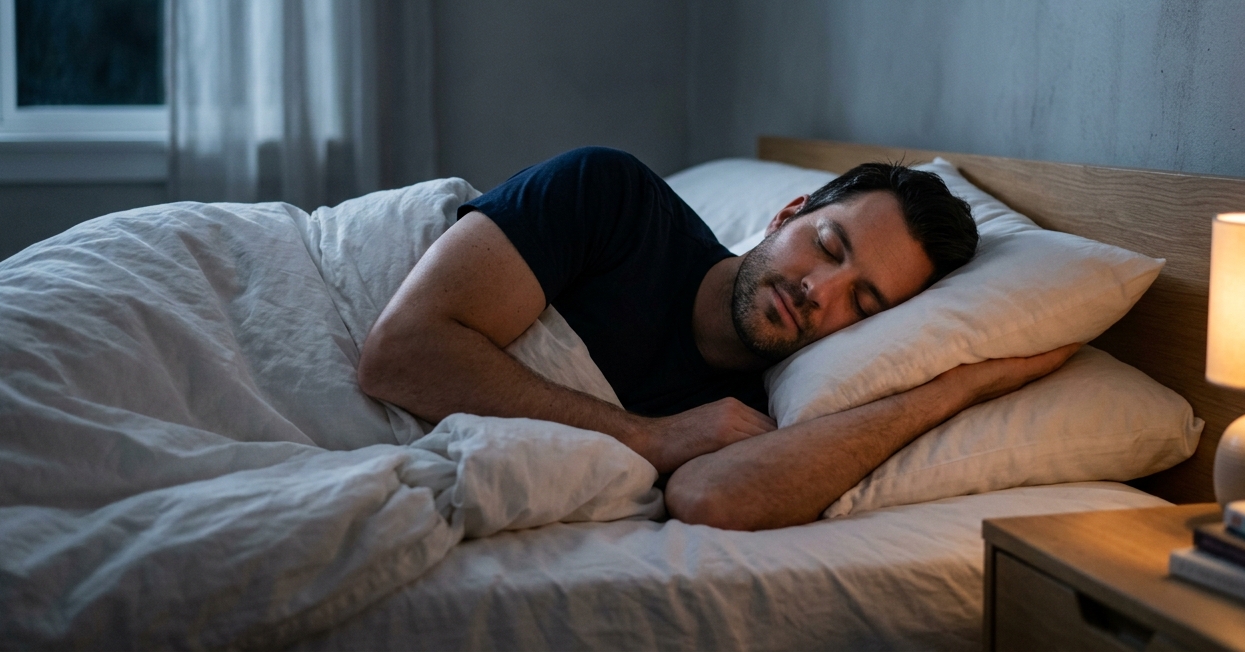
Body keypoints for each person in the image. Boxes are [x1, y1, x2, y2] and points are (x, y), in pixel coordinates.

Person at [357, 147, 1077, 531]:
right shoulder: (614, 199)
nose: (817, 293)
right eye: (827, 246)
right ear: (787, 214)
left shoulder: (759, 406)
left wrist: (958, 387)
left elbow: (713, 500)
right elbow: (400, 351)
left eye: (863, 303)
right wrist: (650, 438)